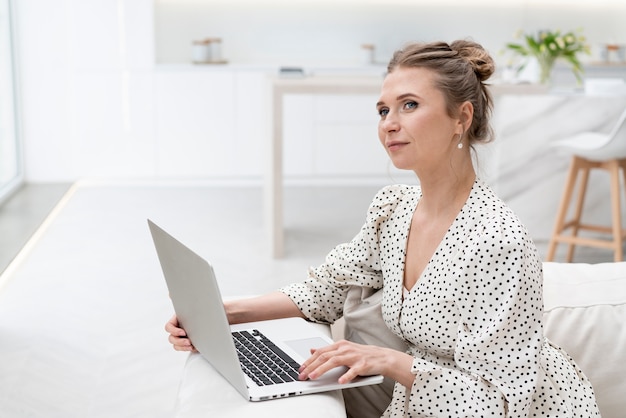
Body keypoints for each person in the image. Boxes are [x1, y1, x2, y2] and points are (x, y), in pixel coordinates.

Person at [166, 40, 600, 417]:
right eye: (382, 110)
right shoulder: (393, 209)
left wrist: (390, 362)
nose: (389, 123)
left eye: (409, 105)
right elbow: (326, 289)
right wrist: (225, 313)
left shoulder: (497, 241)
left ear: (461, 117)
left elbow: (499, 404)